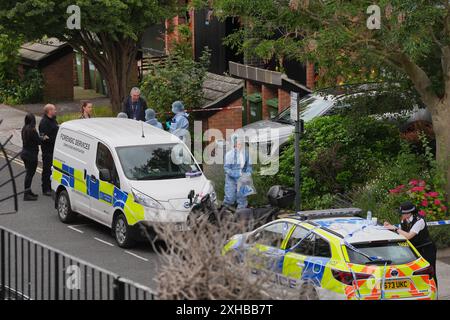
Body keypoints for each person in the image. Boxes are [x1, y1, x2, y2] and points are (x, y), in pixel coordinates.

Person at [384, 201, 438, 286]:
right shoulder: (404, 220)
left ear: (409, 213)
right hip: (415, 250)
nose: (401, 215)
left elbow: (409, 236)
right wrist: (389, 226)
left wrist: (394, 228)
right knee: (415, 273)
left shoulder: (419, 221)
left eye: (403, 213)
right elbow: (401, 233)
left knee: (430, 273)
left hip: (427, 249)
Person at [21, 113, 46, 201]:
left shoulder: (24, 128)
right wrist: (43, 137)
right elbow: (38, 141)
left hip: (24, 153)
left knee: (29, 173)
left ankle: (28, 191)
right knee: (29, 174)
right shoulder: (32, 130)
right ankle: (26, 194)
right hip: (31, 155)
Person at [223, 134, 252, 209]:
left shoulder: (246, 153)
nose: (240, 145)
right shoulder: (229, 155)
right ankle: (225, 211)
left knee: (242, 197)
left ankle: (241, 212)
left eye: (241, 143)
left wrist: (247, 174)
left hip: (242, 177)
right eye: (238, 144)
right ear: (234, 144)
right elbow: (226, 168)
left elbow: (248, 165)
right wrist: (236, 174)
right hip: (231, 178)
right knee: (230, 197)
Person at [39, 104, 59, 196]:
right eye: (54, 109)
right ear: (49, 111)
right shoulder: (44, 123)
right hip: (47, 151)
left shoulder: (53, 120)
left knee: (53, 169)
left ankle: (51, 186)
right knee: (47, 169)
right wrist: (51, 139)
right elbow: (44, 138)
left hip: (54, 149)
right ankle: (45, 188)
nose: (55, 111)